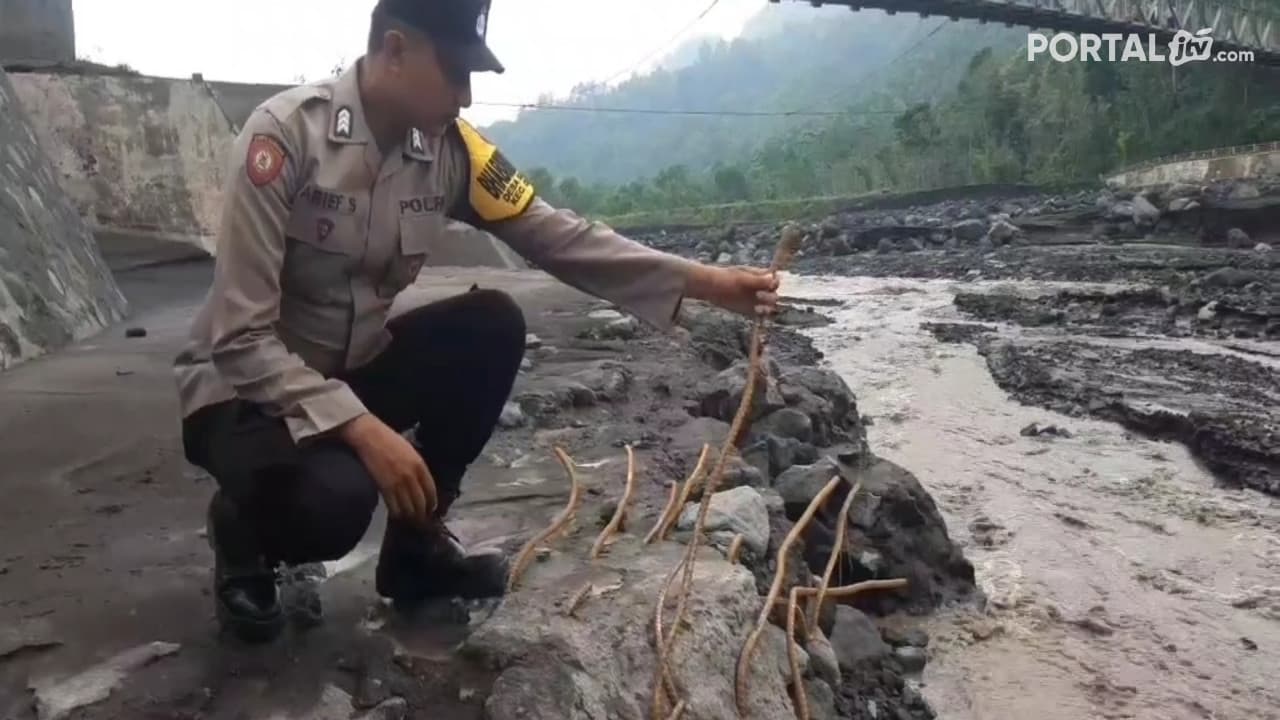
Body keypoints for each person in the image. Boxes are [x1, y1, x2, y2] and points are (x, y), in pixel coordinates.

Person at [174, 0, 781, 644]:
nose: (464, 99)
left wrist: (708, 282)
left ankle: (414, 551)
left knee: (490, 326)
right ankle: (240, 529)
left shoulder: (453, 154)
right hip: (245, 395)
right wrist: (363, 429)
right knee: (333, 506)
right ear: (397, 48)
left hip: (349, 370)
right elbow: (240, 338)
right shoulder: (285, 138)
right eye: (455, 73)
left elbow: (557, 236)